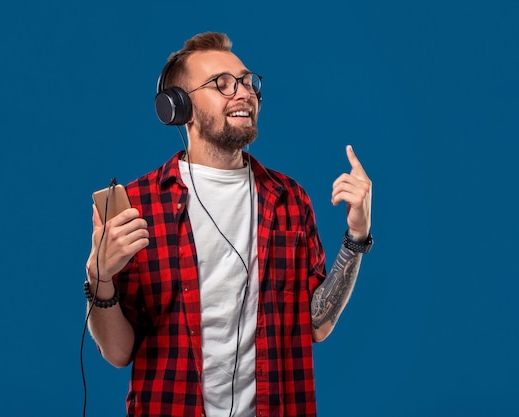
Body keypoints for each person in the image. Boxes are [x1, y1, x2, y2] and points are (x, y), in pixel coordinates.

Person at [84, 32, 373, 417]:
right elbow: (119, 353)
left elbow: (315, 324)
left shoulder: (289, 199)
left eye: (247, 81)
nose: (244, 93)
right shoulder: (137, 207)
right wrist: (99, 276)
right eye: (222, 84)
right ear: (178, 108)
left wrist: (356, 236)